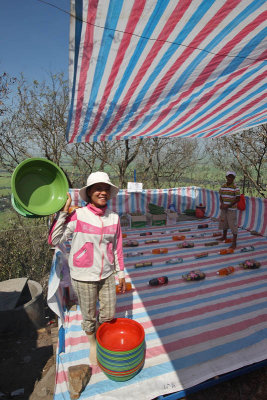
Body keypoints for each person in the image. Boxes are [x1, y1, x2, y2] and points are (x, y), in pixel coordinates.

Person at [48, 171, 126, 365]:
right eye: (98, 189)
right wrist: (64, 213)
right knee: (89, 315)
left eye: (106, 189)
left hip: (107, 274)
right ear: (89, 192)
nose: (103, 193)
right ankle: (93, 343)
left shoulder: (114, 218)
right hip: (83, 275)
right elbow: (54, 240)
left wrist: (121, 273)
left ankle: (102, 333)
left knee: (108, 313)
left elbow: (117, 248)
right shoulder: (78, 215)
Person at [218, 171, 240, 249]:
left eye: (232, 177)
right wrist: (222, 204)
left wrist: (229, 205)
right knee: (224, 223)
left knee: (233, 225)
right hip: (224, 208)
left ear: (234, 178)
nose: (230, 178)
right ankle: (224, 237)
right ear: (226, 177)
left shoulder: (235, 187)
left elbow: (238, 198)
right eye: (229, 177)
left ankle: (234, 243)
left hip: (231, 209)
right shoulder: (223, 186)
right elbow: (220, 196)